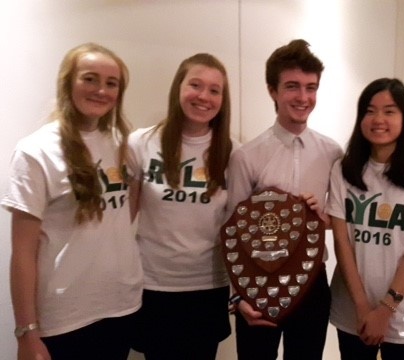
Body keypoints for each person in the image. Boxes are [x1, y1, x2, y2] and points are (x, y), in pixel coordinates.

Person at [2, 43, 142, 360]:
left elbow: (125, 211)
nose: (101, 90)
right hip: (64, 319)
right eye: (90, 79)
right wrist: (26, 332)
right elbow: (22, 252)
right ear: (69, 83)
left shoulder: (122, 143)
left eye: (111, 83)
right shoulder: (36, 151)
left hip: (121, 305)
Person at [227, 38, 343, 360]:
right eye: (293, 86)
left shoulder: (333, 153)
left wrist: (323, 217)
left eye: (311, 87)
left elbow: (338, 220)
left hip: (312, 281)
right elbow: (232, 231)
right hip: (257, 281)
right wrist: (238, 298)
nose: (303, 97)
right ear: (272, 90)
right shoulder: (246, 156)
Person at [327, 78, 404, 360]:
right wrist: (362, 306)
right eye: (370, 111)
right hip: (352, 309)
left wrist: (385, 310)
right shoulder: (343, 170)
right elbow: (342, 242)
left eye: (389, 111)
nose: (378, 119)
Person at [128, 53, 235, 359]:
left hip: (208, 286)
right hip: (153, 286)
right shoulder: (141, 143)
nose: (204, 96)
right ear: (178, 87)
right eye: (196, 85)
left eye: (215, 90)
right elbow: (123, 217)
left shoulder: (232, 153)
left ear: (223, 99)